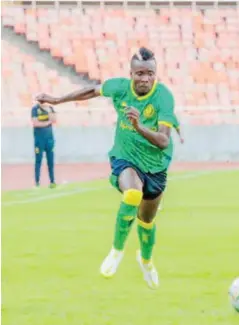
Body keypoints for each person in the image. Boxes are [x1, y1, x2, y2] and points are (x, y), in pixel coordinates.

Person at [36, 47, 178, 290]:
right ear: (131, 74)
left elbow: (163, 140)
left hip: (156, 166)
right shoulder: (119, 87)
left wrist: (138, 126)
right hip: (126, 158)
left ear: (155, 74)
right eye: (140, 73)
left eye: (150, 74)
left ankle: (146, 261)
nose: (145, 78)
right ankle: (116, 250)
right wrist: (58, 100)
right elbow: (92, 90)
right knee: (132, 193)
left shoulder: (163, 97)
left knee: (146, 221)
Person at [31, 102, 57, 188]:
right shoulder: (35, 109)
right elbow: (35, 123)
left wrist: (49, 111)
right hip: (39, 140)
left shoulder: (50, 108)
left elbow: (54, 119)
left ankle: (52, 181)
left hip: (49, 139)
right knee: (38, 161)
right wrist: (48, 123)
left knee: (50, 161)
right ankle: (37, 182)